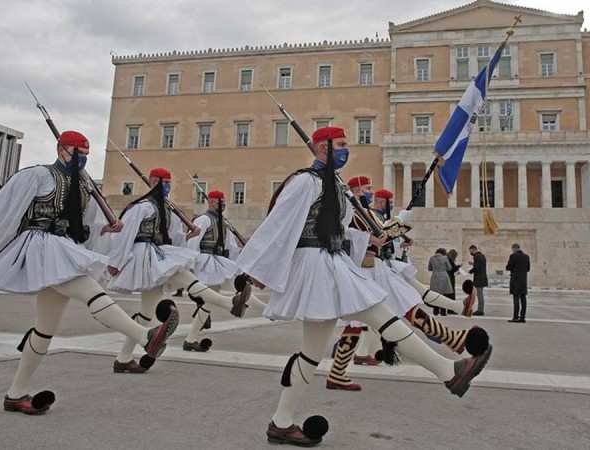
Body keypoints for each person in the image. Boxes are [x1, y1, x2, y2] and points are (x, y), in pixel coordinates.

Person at [236, 126, 492, 446]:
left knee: (311, 353)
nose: (347, 149)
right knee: (381, 315)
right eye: (341, 144)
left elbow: (341, 232)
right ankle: (447, 372)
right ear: (322, 148)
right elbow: (278, 223)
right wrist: (252, 271)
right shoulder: (305, 181)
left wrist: (369, 238)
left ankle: (280, 422)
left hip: (332, 262)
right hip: (317, 265)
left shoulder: (336, 187)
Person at [0, 131, 179, 415]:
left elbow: (87, 223)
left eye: (86, 154)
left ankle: (15, 394)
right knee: (89, 290)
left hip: (62, 249)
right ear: (61, 150)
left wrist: (106, 230)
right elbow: (6, 208)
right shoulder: (38, 175)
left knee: (44, 329)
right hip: (40, 246)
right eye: (79, 153)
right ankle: (143, 336)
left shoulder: (83, 184)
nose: (84, 159)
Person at [325, 183, 484, 391]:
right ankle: (450, 337)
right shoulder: (353, 212)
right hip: (366, 269)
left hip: (375, 268)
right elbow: (362, 236)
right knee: (404, 306)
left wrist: (398, 222)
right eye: (366, 188)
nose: (370, 191)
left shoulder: (364, 213)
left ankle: (337, 372)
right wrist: (389, 227)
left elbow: (381, 235)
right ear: (357, 190)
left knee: (361, 322)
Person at [106, 168, 251, 373]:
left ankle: (123, 359)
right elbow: (124, 235)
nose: (168, 187)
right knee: (184, 276)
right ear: (152, 181)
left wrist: (188, 237)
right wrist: (116, 262)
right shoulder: (141, 207)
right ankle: (230, 303)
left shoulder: (167, 209)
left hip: (158, 252)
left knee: (146, 312)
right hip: (144, 254)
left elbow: (174, 237)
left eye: (169, 183)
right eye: (164, 183)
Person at [182, 189, 264, 352]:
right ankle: (266, 310)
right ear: (212, 202)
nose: (224, 204)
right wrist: (191, 267)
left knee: (210, 303)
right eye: (221, 201)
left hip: (219, 262)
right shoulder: (203, 220)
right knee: (236, 290)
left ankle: (190, 340)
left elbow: (231, 248)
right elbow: (193, 243)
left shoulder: (223, 222)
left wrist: (244, 256)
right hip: (206, 263)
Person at [506, 243, 530, 323]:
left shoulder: (513, 256)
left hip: (515, 280)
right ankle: (522, 317)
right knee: (523, 298)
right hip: (523, 280)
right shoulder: (526, 257)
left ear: (514, 249)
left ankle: (516, 317)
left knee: (516, 298)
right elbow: (528, 269)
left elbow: (508, 267)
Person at [428, 248, 453, 316]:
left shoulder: (431, 258)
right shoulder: (445, 258)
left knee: (435, 295)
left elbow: (429, 268)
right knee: (444, 295)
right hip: (444, 277)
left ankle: (435, 311)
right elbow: (449, 268)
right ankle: (443, 311)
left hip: (435, 277)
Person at [468, 245, 487, 315]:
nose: (471, 253)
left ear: (473, 250)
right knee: (480, 294)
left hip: (479, 278)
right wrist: (473, 264)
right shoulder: (482, 256)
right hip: (483, 277)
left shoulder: (476, 256)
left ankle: (480, 310)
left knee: (479, 294)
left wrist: (470, 271)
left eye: (470, 251)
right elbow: (480, 265)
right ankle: (480, 309)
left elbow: (477, 268)